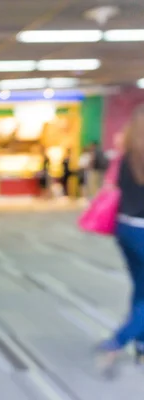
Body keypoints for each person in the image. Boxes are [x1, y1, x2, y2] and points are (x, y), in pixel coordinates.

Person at [96, 105, 144, 378]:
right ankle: (117, 342)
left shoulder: (126, 158)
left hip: (125, 229)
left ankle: (142, 345)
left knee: (141, 289)